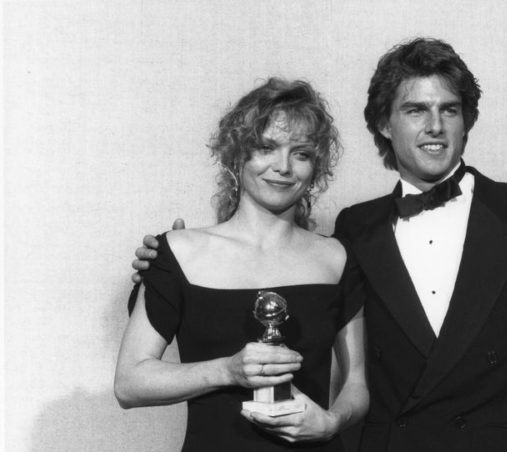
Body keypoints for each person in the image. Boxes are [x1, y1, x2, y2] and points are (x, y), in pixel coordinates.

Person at [133, 38, 507, 451]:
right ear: (383, 124)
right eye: (415, 110)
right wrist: (167, 265)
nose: (435, 127)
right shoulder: (354, 231)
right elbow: (276, 290)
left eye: (449, 110)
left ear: (466, 120)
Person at [115, 78, 368, 452]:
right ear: (237, 154)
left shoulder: (338, 258)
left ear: (316, 166)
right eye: (267, 148)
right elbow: (129, 383)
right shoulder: (179, 253)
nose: (283, 167)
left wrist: (331, 423)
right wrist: (226, 370)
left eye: (301, 153)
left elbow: (357, 384)